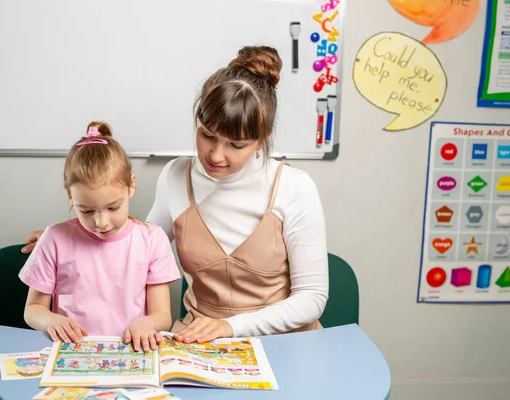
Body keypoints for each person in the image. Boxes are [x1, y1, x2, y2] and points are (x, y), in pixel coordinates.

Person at [23, 45, 328, 344]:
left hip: (285, 343)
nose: (216, 156)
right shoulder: (176, 176)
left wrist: (230, 327)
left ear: (262, 140)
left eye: (236, 145)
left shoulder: (294, 187)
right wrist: (69, 239)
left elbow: (312, 298)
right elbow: (137, 245)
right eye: (207, 135)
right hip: (200, 343)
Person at [19, 121, 181, 352]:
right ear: (69, 193)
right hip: (72, 353)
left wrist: (149, 322)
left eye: (113, 208)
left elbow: (162, 315)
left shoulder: (152, 239)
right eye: (86, 211)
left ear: (131, 186)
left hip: (131, 353)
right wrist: (52, 320)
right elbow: (33, 309)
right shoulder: (54, 239)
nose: (101, 222)